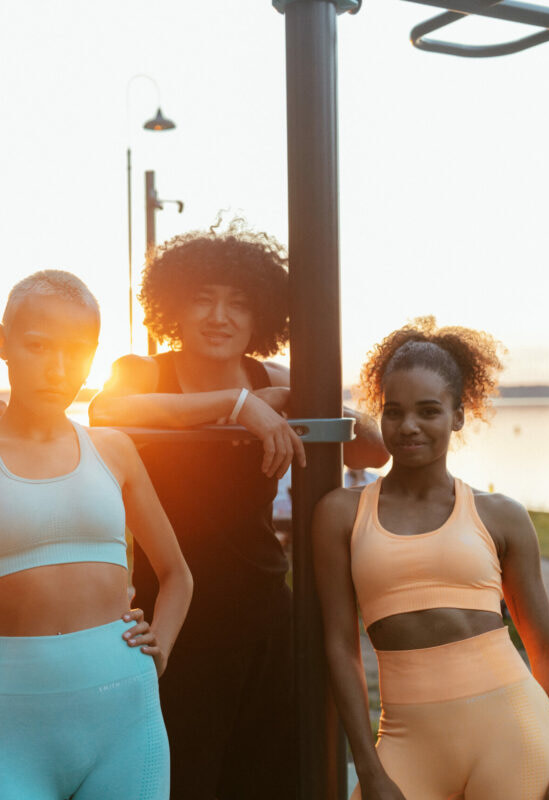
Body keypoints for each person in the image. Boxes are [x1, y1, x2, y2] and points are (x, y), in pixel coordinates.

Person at [88, 223, 389, 800]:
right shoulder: (145, 372)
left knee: (269, 780)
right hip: (171, 619)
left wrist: (307, 397)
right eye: (203, 297)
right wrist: (236, 407)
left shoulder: (272, 378)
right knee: (181, 779)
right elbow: (107, 412)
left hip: (267, 620)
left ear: (262, 318)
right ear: (174, 305)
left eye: (239, 302)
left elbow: (371, 448)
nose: (219, 315)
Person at [0, 270, 192, 800]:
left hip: (128, 717)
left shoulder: (114, 450)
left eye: (78, 350)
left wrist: (162, 644)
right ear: (3, 343)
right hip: (12, 725)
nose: (59, 369)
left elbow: (178, 574)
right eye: (38, 346)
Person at [312, 318, 549, 800]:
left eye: (429, 411)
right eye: (394, 412)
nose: (409, 426)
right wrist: (371, 771)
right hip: (405, 741)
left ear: (458, 415)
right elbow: (340, 648)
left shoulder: (500, 515)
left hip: (514, 731)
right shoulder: (341, 514)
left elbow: (545, 645)